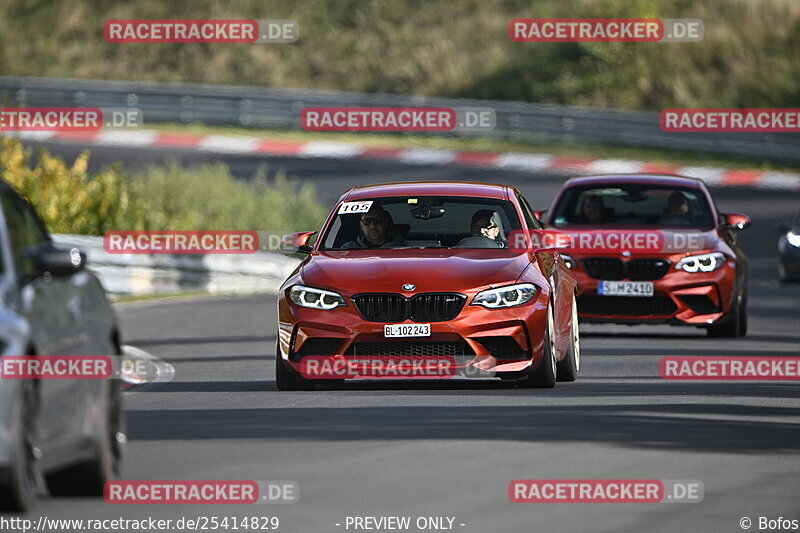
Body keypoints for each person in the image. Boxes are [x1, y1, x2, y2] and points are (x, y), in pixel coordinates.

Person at [341, 204, 406, 249]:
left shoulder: (405, 248)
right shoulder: (346, 251)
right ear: (361, 225)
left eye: (377, 220)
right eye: (367, 221)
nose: (373, 226)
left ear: (386, 222)